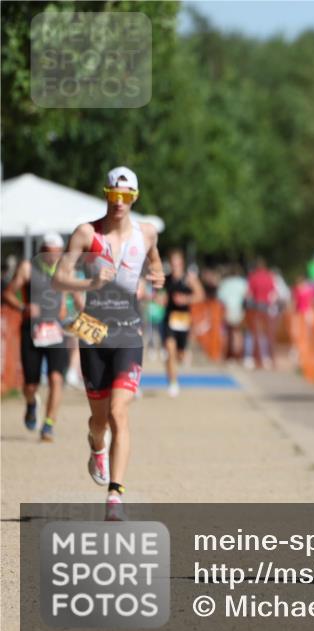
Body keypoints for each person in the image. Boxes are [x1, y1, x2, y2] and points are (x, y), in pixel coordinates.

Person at [52, 166, 165, 520]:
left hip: (129, 333)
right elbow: (59, 280)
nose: (119, 202)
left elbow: (155, 261)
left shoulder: (147, 233)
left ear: (134, 198)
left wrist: (158, 274)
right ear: (106, 194)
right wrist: (91, 284)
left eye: (126, 196)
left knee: (119, 412)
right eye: (114, 195)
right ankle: (96, 445)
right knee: (99, 420)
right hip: (94, 333)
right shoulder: (86, 234)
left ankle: (115, 495)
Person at [2, 232, 79, 442]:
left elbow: (76, 296)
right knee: (30, 386)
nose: (52, 256)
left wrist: (84, 316)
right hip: (32, 332)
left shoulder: (66, 269)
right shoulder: (28, 268)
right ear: (41, 250)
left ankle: (48, 424)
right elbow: (8, 293)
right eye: (48, 252)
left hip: (57, 332)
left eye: (56, 252)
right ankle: (31, 403)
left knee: (56, 378)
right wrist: (24, 307)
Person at [163, 249, 205, 397]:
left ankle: (179, 358)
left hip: (183, 320)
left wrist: (186, 299)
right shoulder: (166, 279)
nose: (175, 266)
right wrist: (159, 299)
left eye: (178, 263)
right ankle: (173, 383)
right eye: (173, 263)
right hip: (169, 319)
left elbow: (200, 295)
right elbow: (158, 294)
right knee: (170, 349)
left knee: (179, 355)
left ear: (182, 264)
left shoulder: (189, 279)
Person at [246, 258, 278, 369]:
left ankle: (255, 359)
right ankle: (269, 358)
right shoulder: (270, 276)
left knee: (255, 334)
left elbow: (249, 294)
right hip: (267, 307)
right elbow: (274, 293)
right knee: (269, 334)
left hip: (256, 308)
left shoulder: (253, 277)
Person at [217, 264, 249, 363]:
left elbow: (220, 299)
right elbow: (247, 297)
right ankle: (237, 355)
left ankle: (226, 355)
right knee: (237, 333)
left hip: (227, 311)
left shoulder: (225, 283)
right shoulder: (243, 283)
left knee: (226, 333)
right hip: (239, 311)